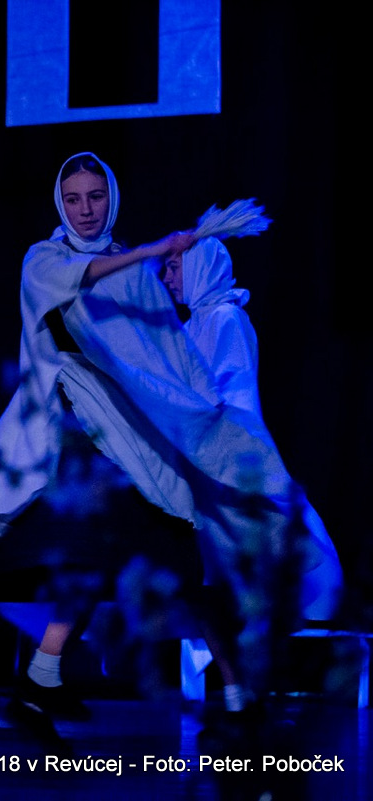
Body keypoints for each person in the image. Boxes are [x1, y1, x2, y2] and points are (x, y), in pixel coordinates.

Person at [0, 152, 301, 746]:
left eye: (95, 196)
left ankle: (45, 681)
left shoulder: (136, 275)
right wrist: (153, 251)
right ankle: (52, 683)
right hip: (72, 439)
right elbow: (83, 277)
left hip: (133, 439)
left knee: (162, 558)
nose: (85, 209)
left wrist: (201, 413)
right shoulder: (44, 258)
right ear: (60, 204)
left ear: (111, 198)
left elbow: (169, 350)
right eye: (73, 198)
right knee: (106, 553)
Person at [161, 238, 344, 713]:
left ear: (199, 266)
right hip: (209, 460)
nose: (168, 278)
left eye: (175, 267)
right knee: (211, 575)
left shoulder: (225, 318)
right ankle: (240, 686)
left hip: (232, 458)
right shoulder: (195, 322)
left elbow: (229, 393)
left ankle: (253, 687)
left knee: (250, 567)